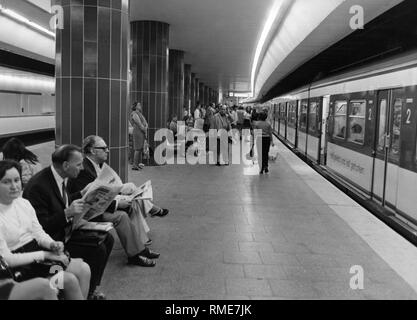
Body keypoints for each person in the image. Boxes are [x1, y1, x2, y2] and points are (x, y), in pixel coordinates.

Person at [22, 145, 114, 300]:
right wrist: (67, 213)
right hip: (53, 240)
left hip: (63, 232)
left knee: (107, 239)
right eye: (78, 164)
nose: (82, 168)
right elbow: (41, 226)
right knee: (97, 249)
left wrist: (81, 194)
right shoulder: (38, 186)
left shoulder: (59, 177)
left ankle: (91, 290)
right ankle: (87, 292)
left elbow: (60, 201)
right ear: (65, 165)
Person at [0, 160, 91, 300]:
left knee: (83, 269)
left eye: (17, 180)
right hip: (19, 270)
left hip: (39, 261)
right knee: (68, 280)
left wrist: (52, 244)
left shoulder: (24, 203)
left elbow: (38, 232)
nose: (14, 186)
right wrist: (45, 254)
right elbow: (7, 259)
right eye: (6, 182)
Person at [66, 137, 163, 261]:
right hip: (86, 213)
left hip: (97, 207)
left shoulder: (96, 165)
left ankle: (140, 247)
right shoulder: (84, 169)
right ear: (92, 150)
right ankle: (135, 254)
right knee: (121, 216)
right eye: (104, 148)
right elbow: (90, 200)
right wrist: (117, 204)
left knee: (131, 204)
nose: (108, 151)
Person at [130, 102, 148, 170]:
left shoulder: (139, 113)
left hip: (141, 132)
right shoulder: (134, 114)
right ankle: (134, 165)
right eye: (139, 105)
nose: (140, 106)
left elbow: (145, 122)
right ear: (135, 106)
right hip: (138, 132)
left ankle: (137, 164)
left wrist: (146, 127)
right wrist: (145, 130)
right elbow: (139, 124)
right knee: (137, 148)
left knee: (140, 148)